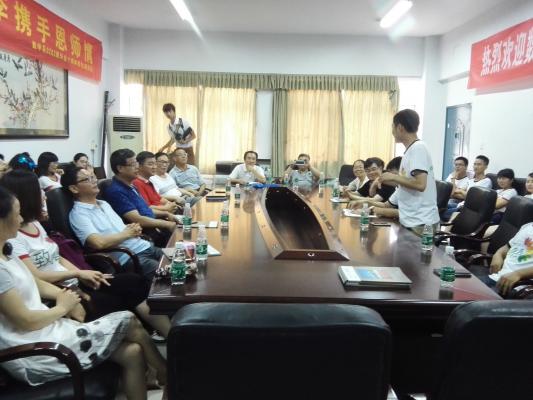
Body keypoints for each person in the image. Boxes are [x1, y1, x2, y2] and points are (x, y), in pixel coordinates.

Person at [0, 186, 167, 399]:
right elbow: (26, 321)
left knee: (132, 352)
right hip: (35, 351)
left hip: (48, 330)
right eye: (17, 214)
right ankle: (166, 372)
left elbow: (36, 283)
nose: (21, 218)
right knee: (128, 319)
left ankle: (164, 372)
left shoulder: (7, 252)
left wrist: (67, 296)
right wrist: (63, 307)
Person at [1, 170, 170, 341]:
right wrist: (76, 275)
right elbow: (35, 278)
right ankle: (153, 333)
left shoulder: (36, 224)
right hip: (62, 290)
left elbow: (57, 256)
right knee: (129, 294)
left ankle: (169, 333)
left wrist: (82, 273)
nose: (44, 195)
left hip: (75, 281)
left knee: (134, 281)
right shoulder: (12, 238)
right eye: (39, 190)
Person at [61, 165, 167, 281]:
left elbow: (118, 229)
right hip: (130, 257)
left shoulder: (104, 204)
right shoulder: (79, 214)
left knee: (179, 258)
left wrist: (132, 228)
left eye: (93, 177)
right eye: (87, 179)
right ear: (74, 188)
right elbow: (98, 243)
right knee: (172, 273)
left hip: (145, 246)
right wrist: (127, 233)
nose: (94, 181)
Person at [378, 109, 440, 234]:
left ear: (400, 127)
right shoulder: (411, 150)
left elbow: (420, 184)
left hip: (420, 222)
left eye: (392, 127)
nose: (392, 132)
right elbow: (407, 183)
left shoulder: (418, 148)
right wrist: (383, 179)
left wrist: (394, 177)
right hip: (411, 220)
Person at [104, 149, 177, 248]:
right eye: (133, 164)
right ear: (120, 168)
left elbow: (145, 209)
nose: (137, 167)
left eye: (137, 163)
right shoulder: (116, 191)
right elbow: (138, 219)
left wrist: (166, 213)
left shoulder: (131, 185)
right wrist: (166, 224)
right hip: (144, 235)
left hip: (154, 226)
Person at [475, 222, 533, 296]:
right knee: (463, 286)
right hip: (498, 278)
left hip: (521, 288)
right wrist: (498, 255)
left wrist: (519, 274)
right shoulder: (527, 226)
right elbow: (507, 247)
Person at [442, 155, 492, 221]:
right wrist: (464, 192)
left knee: (442, 213)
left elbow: (474, 198)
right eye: (474, 164)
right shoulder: (471, 180)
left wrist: (462, 192)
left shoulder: (486, 181)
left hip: (469, 208)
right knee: (439, 206)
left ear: (486, 167)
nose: (476, 166)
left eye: (479, 164)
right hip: (460, 204)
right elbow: (455, 191)